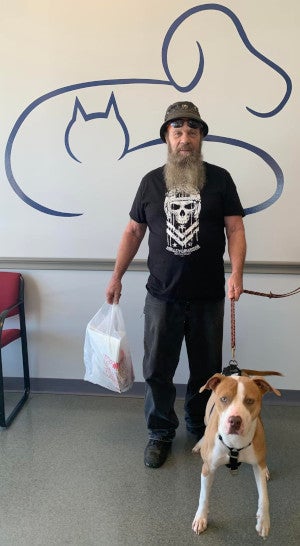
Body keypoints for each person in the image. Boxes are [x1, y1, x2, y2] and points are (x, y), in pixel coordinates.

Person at [106, 101, 246, 469]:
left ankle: (201, 427)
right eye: (178, 132)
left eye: (192, 132)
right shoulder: (151, 182)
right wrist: (117, 275)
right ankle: (160, 433)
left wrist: (237, 273)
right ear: (167, 138)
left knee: (206, 374)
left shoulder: (221, 179)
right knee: (157, 370)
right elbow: (133, 231)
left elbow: (235, 228)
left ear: (201, 138)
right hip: (161, 297)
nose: (185, 139)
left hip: (207, 297)